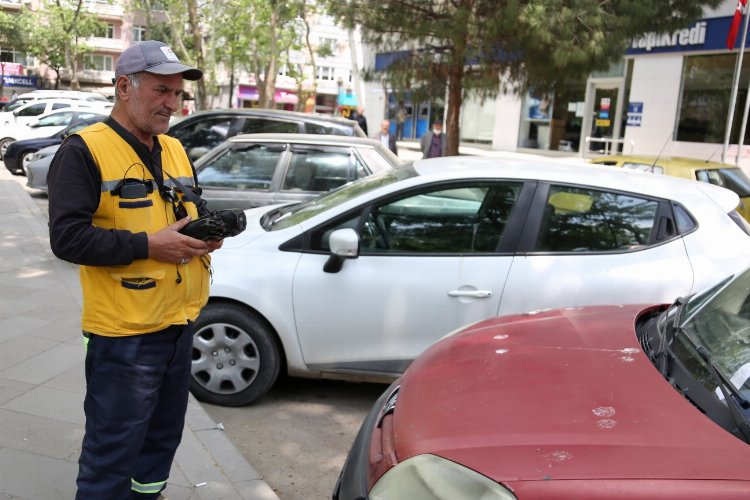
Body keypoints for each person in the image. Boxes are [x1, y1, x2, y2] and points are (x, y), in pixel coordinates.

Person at [47, 40, 222, 500]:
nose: (173, 103)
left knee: (160, 445)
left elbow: (188, 210)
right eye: (162, 91)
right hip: (124, 337)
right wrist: (149, 245)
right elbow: (66, 239)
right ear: (124, 87)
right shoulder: (82, 151)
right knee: (112, 451)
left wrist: (205, 234)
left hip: (180, 324)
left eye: (178, 94)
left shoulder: (175, 150)